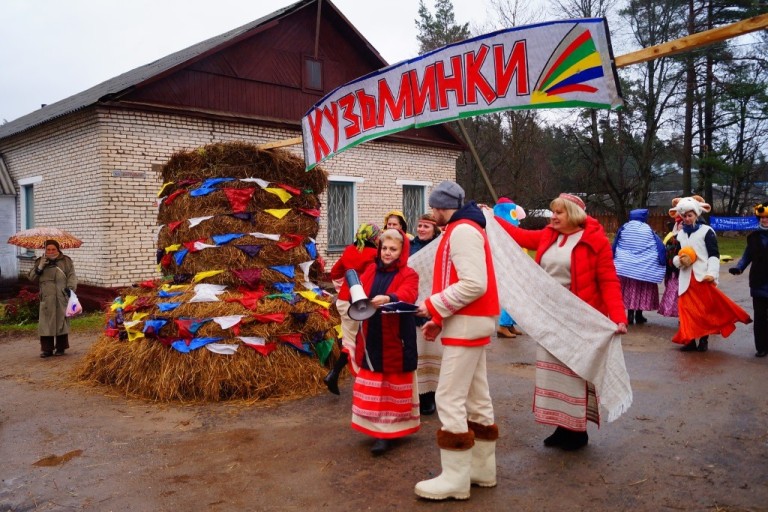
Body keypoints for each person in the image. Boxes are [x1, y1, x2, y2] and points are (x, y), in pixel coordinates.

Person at [495, 193, 627, 451]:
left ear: (574, 215)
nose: (552, 216)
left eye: (558, 213)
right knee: (552, 373)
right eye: (552, 211)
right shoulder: (548, 235)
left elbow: (609, 281)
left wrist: (619, 317)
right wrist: (489, 217)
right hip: (550, 318)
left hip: (580, 320)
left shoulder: (595, 241)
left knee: (575, 372)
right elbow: (519, 236)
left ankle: (577, 430)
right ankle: (561, 426)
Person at [414, 181, 500, 501]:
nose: (431, 211)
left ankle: (455, 479)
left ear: (440, 206)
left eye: (433, 206)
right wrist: (439, 320)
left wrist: (434, 306)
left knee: (448, 398)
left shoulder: (462, 230)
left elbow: (474, 283)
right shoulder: (463, 228)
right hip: (470, 321)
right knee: (477, 397)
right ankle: (481, 470)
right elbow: (459, 282)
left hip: (467, 323)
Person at [343, 228, 420, 455]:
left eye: (393, 249)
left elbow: (409, 293)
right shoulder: (370, 269)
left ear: (401, 251)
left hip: (395, 337)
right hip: (370, 334)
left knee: (390, 384)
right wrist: (355, 295)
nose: (387, 253)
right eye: (384, 248)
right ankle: (376, 429)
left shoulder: (409, 273)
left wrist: (390, 298)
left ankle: (387, 433)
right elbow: (356, 292)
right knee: (374, 382)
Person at [670, 196, 751, 352]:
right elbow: (674, 255)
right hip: (686, 278)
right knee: (686, 311)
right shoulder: (680, 235)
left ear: (697, 214)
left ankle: (704, 340)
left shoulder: (707, 232)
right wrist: (679, 261)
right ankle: (690, 340)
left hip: (702, 278)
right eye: (684, 216)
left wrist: (712, 274)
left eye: (690, 215)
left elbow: (714, 254)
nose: (687, 219)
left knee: (703, 311)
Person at [324, 223, 381, 395]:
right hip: (363, 302)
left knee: (350, 340)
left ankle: (334, 375)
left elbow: (335, 272)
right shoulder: (375, 254)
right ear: (374, 237)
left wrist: (342, 288)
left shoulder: (349, 250)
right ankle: (360, 379)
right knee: (363, 341)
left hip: (344, 300)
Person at [409, 213, 442, 415]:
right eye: (419, 225)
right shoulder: (410, 247)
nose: (421, 229)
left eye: (426, 226)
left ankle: (434, 396)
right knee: (418, 355)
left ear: (434, 229)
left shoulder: (440, 247)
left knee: (435, 355)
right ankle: (420, 396)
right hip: (413, 305)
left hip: (434, 306)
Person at [612, 209, 666, 325]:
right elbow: (658, 246)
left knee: (629, 291)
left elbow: (616, 243)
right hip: (643, 268)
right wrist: (662, 261)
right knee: (640, 290)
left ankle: (630, 315)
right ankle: (639, 315)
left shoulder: (625, 227)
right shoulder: (648, 229)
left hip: (625, 267)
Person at [729, 202, 768, 358]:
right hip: (758, 282)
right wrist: (739, 267)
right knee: (759, 317)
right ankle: (761, 347)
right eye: (762, 218)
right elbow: (747, 255)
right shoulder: (753, 237)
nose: (765, 220)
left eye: (767, 218)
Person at [27, 240, 77, 358]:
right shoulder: (40, 261)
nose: (50, 252)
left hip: (61, 295)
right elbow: (31, 278)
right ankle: (47, 349)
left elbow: (72, 275)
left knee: (61, 321)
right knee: (46, 324)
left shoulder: (66, 261)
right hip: (46, 297)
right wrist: (40, 267)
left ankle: (61, 348)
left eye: (53, 249)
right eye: (48, 249)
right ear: (45, 250)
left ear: (58, 249)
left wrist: (70, 289)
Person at [493, 197, 526, 338]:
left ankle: (510, 324)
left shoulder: (510, 229)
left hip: (515, 266)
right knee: (512, 296)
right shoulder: (500, 231)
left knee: (517, 296)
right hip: (508, 267)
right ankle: (503, 325)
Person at [658, 217, 682, 318]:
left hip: (686, 271)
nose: (682, 225)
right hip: (674, 271)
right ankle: (678, 314)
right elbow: (666, 252)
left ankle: (683, 315)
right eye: (681, 224)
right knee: (674, 292)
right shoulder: (672, 238)